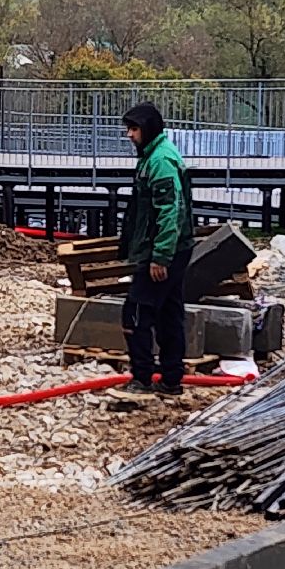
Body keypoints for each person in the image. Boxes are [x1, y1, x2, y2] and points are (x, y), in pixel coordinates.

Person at [116, 103, 194, 397]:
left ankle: (142, 377)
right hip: (178, 247)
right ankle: (172, 379)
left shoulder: (159, 161)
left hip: (164, 251)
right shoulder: (157, 155)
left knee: (135, 312)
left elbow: (168, 211)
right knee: (169, 313)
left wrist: (160, 256)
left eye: (133, 129)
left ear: (148, 129)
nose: (129, 135)